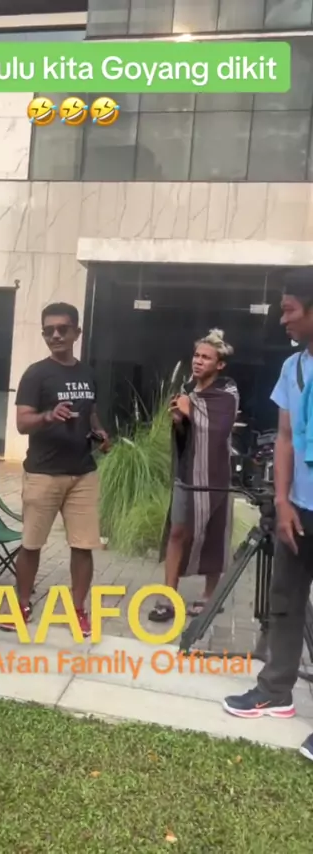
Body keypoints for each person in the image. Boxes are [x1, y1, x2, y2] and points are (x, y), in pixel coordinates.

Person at [224, 273, 313, 763]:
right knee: (285, 602)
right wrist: (282, 501)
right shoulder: (293, 367)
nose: (282, 319)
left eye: (289, 309)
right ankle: (275, 691)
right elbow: (284, 437)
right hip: (298, 509)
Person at [0, 302, 110, 638]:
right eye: (49, 330)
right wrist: (49, 415)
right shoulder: (36, 374)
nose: (56, 335)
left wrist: (100, 432)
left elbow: (90, 412)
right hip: (43, 472)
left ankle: (78, 611)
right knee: (31, 544)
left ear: (77, 332)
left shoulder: (88, 373)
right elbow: (22, 423)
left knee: (83, 545)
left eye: (63, 329)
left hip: (83, 473)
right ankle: (21, 606)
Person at [148, 329, 239, 623]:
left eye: (206, 357)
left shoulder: (227, 392)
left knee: (214, 532)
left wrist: (191, 412)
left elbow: (220, 429)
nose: (198, 361)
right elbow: (186, 432)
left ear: (220, 364)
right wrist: (179, 420)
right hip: (186, 474)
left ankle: (210, 595)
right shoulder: (187, 390)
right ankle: (168, 596)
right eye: (196, 355)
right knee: (177, 532)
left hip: (214, 477)